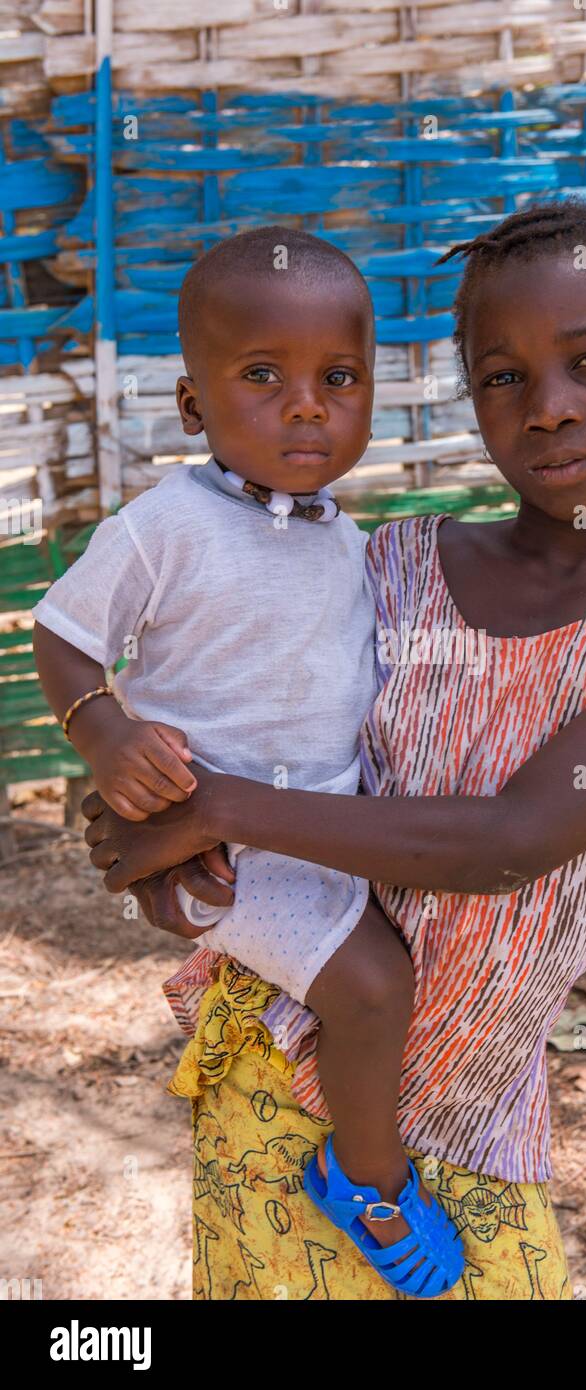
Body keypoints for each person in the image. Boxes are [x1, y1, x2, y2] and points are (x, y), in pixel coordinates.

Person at [82, 197, 586, 1301]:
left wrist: (216, 809)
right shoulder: (385, 564)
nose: (547, 409)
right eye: (503, 377)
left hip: (462, 1129)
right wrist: (147, 823)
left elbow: (506, 840)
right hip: (271, 1067)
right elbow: (230, 729)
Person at [31, 225, 464, 1298]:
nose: (306, 405)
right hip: (222, 833)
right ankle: (364, 1177)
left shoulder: (348, 543)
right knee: (372, 986)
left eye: (339, 378)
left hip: (318, 825)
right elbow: (61, 630)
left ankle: (209, 944)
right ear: (193, 408)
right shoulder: (166, 523)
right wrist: (103, 730)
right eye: (262, 376)